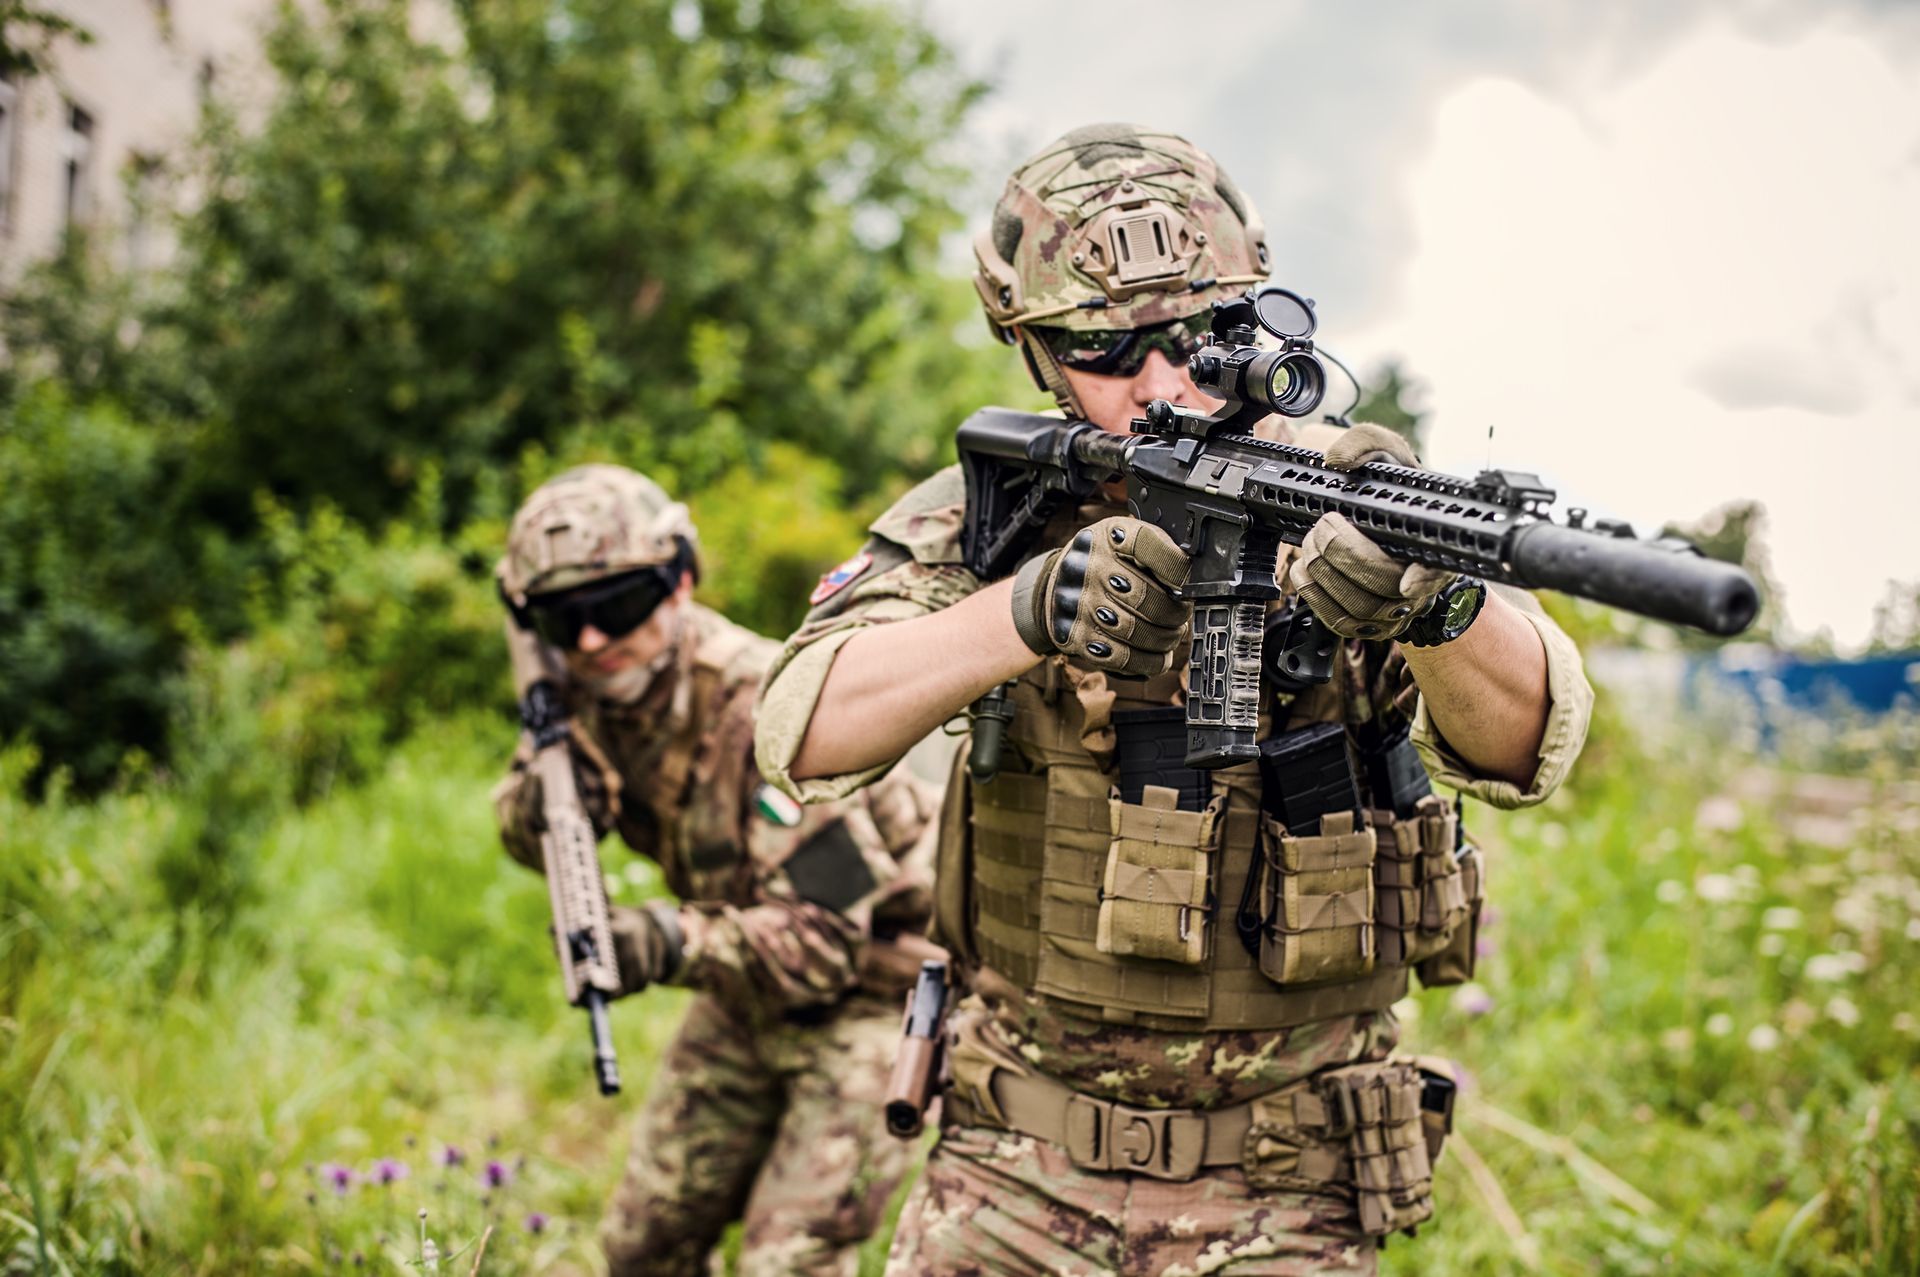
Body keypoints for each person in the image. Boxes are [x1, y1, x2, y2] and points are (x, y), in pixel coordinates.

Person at [753, 124, 1594, 1274]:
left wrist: (1434, 607)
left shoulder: (1352, 493)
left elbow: (1530, 743)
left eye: (1200, 337)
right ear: (1032, 349)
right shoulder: (989, 513)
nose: (1159, 380)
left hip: (1290, 1187)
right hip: (1011, 1172)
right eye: (1104, 347)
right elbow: (800, 729)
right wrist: (1022, 610)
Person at [492, 464, 940, 1277]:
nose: (591, 640)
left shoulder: (770, 710)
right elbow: (529, 829)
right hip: (747, 993)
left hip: (879, 999)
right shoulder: (588, 693)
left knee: (786, 1259)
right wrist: (542, 800)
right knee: (643, 1246)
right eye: (561, 620)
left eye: (616, 605)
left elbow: (826, 942)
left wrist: (667, 941)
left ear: (679, 583)